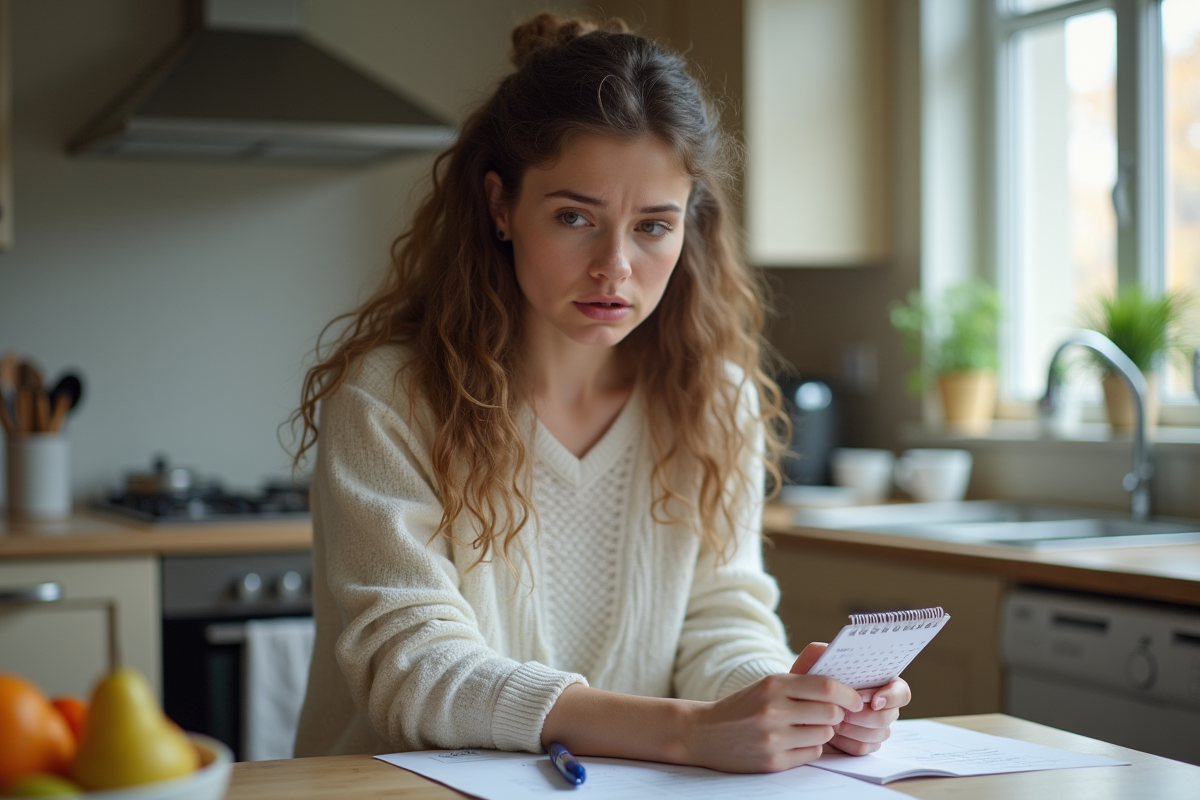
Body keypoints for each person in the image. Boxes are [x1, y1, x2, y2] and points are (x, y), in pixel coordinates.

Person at [289, 12, 910, 773]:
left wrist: (786, 704)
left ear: (690, 227)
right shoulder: (391, 399)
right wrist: (688, 731)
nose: (614, 267)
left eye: (654, 226)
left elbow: (722, 622)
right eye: (575, 216)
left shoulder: (717, 400)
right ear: (499, 207)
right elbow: (413, 671)